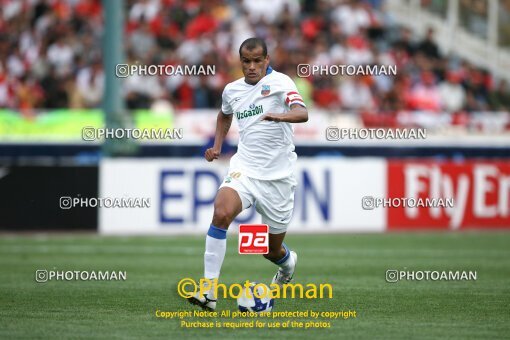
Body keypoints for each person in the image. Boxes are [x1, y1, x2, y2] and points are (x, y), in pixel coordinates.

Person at [188, 37, 308, 311]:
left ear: (267, 60)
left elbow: (303, 113)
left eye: (257, 61)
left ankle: (287, 266)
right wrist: (217, 146)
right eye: (246, 62)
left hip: (278, 178)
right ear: (239, 61)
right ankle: (208, 292)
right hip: (245, 169)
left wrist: (280, 116)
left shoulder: (282, 83)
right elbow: (224, 115)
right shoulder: (232, 90)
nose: (251, 67)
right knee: (220, 213)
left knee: (270, 250)